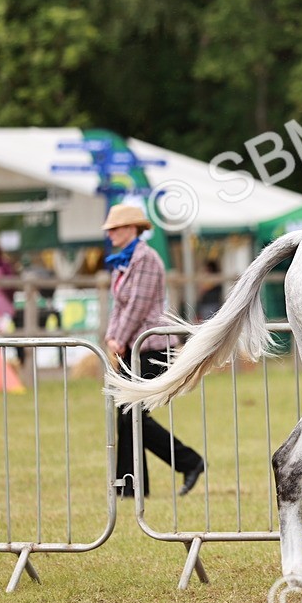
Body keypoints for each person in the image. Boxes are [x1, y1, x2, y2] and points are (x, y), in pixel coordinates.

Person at [102, 203, 204, 498]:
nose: (110, 234)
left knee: (133, 414)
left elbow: (138, 305)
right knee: (127, 414)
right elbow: (119, 306)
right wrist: (112, 337)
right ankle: (131, 485)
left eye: (115, 228)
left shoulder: (145, 259)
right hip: (132, 347)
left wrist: (119, 339)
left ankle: (188, 462)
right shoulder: (124, 261)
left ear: (131, 228)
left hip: (151, 347)